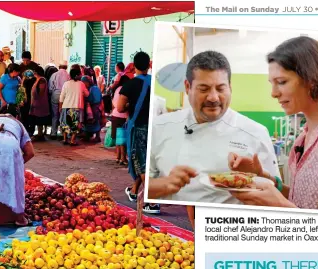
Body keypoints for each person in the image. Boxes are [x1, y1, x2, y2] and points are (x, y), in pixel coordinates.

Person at [146, 51, 280, 207]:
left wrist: (252, 179)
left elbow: (274, 196)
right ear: (187, 87)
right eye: (204, 89)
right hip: (169, 224)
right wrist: (164, 184)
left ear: (230, 87)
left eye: (221, 89)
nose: (213, 97)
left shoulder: (255, 133)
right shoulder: (159, 127)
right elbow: (143, 187)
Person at [231, 37, 318, 211]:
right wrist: (262, 177)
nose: (273, 93)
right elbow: (304, 200)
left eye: (282, 82)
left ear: (311, 77)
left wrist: (280, 205)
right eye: (272, 84)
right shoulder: (303, 138)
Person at [116, 51, 158, 213]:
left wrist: (129, 106)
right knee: (149, 163)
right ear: (149, 65)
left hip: (139, 128)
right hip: (155, 128)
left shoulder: (130, 85)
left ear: (134, 66)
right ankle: (134, 192)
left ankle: (151, 202)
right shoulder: (156, 83)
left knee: (141, 165)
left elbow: (119, 108)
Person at [59, 68, 89, 146]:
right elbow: (87, 94)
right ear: (77, 75)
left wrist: (60, 106)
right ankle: (72, 140)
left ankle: (65, 139)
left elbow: (62, 96)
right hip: (77, 107)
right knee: (76, 124)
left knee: (65, 123)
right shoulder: (81, 84)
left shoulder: (66, 83)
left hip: (66, 106)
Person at [112, 75, 131, 165]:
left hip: (115, 114)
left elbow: (113, 102)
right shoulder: (125, 89)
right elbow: (124, 104)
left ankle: (118, 157)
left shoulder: (117, 89)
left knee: (118, 138)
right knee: (123, 138)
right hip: (122, 115)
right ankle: (123, 158)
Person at [48, 63, 70, 139]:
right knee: (63, 115)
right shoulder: (68, 75)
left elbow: (50, 87)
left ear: (59, 66)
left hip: (55, 94)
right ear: (66, 67)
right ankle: (62, 133)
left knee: (55, 115)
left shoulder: (54, 74)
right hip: (65, 96)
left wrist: (52, 93)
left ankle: (53, 133)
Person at [29, 65, 51, 140]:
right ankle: (39, 134)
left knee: (40, 119)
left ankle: (40, 134)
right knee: (37, 119)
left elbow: (41, 92)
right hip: (36, 103)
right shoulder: (37, 80)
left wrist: (36, 99)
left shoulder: (42, 80)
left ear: (36, 72)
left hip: (40, 103)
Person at [81, 75, 103, 143]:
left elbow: (96, 99)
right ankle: (87, 136)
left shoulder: (94, 88)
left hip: (95, 109)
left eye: (84, 82)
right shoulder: (88, 88)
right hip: (89, 108)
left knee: (96, 122)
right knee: (88, 123)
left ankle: (97, 137)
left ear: (87, 82)